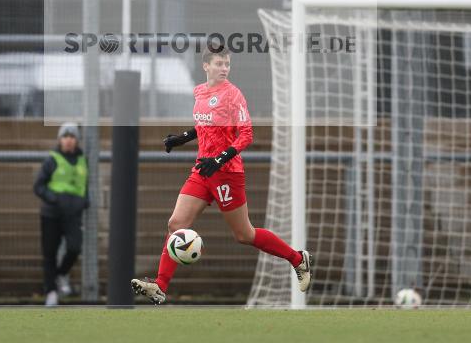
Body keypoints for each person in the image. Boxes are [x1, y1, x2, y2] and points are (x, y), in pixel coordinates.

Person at [131, 47, 311, 304]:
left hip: (227, 173)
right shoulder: (200, 92)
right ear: (206, 66)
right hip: (203, 170)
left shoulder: (233, 94)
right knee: (175, 224)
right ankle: (160, 285)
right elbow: (204, 124)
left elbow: (246, 134)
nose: (224, 68)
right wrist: (181, 138)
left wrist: (219, 159)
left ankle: (298, 259)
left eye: (227, 63)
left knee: (244, 235)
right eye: (219, 63)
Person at [33, 122, 89, 307]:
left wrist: (84, 201)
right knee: (49, 254)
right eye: (65, 136)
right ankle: (50, 293)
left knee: (74, 247)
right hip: (52, 214)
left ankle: (60, 274)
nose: (69, 140)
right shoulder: (52, 160)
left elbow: (84, 184)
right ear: (59, 139)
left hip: (73, 215)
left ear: (77, 140)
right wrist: (54, 198)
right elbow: (38, 186)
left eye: (72, 137)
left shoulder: (82, 160)